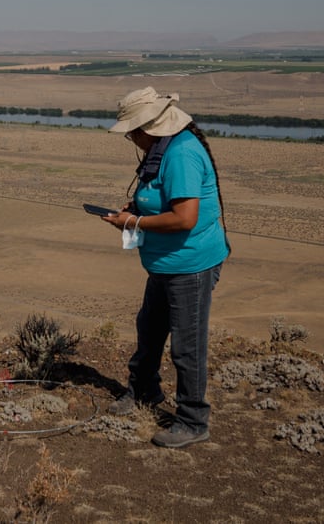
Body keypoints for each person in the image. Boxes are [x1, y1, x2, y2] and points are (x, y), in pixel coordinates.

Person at [100, 87, 229, 448]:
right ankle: (143, 391)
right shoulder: (163, 151)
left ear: (149, 127)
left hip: (191, 263)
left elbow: (185, 218)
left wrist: (133, 223)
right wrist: (137, 208)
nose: (131, 138)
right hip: (166, 262)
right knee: (150, 327)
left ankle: (193, 420)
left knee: (187, 344)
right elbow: (163, 200)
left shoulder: (182, 153)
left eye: (132, 131)